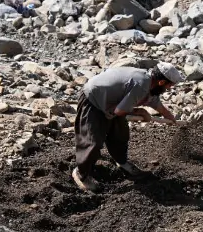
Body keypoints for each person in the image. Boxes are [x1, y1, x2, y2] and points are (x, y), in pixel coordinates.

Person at [72, 62, 184, 192]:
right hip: (94, 100)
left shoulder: (149, 82)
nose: (169, 89)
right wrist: (140, 112)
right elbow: (120, 111)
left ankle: (122, 162)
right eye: (169, 86)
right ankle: (81, 174)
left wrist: (170, 117)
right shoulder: (141, 85)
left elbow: (155, 102)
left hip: (113, 103)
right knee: (93, 141)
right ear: (161, 82)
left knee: (120, 134)